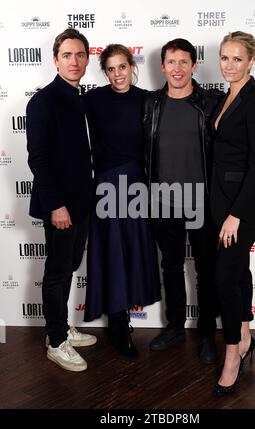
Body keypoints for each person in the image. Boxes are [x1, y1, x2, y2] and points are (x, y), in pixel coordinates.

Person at [144, 38, 223, 363]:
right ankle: (175, 326)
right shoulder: (150, 105)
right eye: (171, 62)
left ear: (193, 65)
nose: (177, 69)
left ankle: (207, 334)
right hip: (163, 200)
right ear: (163, 66)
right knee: (171, 267)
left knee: (206, 270)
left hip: (203, 200)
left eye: (183, 62)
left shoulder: (211, 103)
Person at [83, 44, 161, 358]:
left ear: (132, 66)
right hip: (105, 184)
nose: (117, 74)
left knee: (131, 252)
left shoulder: (146, 100)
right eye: (111, 69)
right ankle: (117, 323)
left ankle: (125, 315)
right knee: (112, 253)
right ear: (105, 71)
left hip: (136, 184)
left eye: (122, 67)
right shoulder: (92, 100)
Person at [26, 28, 97, 372]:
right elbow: (37, 158)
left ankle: (61, 327)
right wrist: (56, 205)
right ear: (55, 60)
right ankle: (56, 341)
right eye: (67, 55)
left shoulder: (80, 97)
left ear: (87, 59)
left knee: (68, 268)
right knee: (56, 273)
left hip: (81, 204)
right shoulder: (43, 101)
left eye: (80, 55)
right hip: (60, 207)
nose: (74, 61)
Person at [210, 31, 255, 395]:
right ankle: (246, 333)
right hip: (219, 197)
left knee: (223, 278)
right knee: (238, 269)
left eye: (237, 59)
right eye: (224, 58)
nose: (229, 65)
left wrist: (236, 213)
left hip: (243, 203)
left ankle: (232, 354)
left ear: (251, 60)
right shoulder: (224, 97)